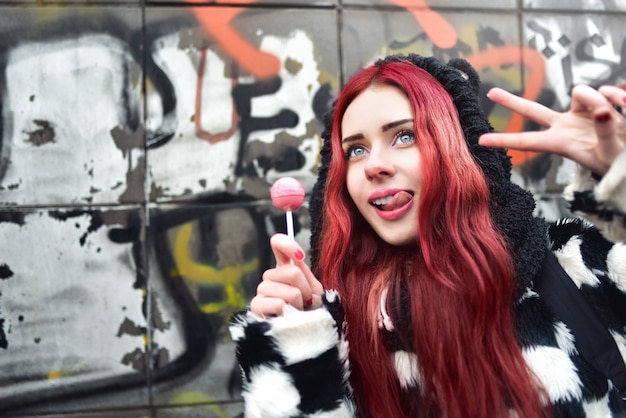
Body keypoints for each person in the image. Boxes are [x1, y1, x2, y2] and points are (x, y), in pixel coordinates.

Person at [229, 54, 626, 417]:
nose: (375, 166)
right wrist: (293, 348)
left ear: (460, 150)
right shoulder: (338, 330)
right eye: (356, 150)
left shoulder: (577, 269)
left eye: (404, 135)